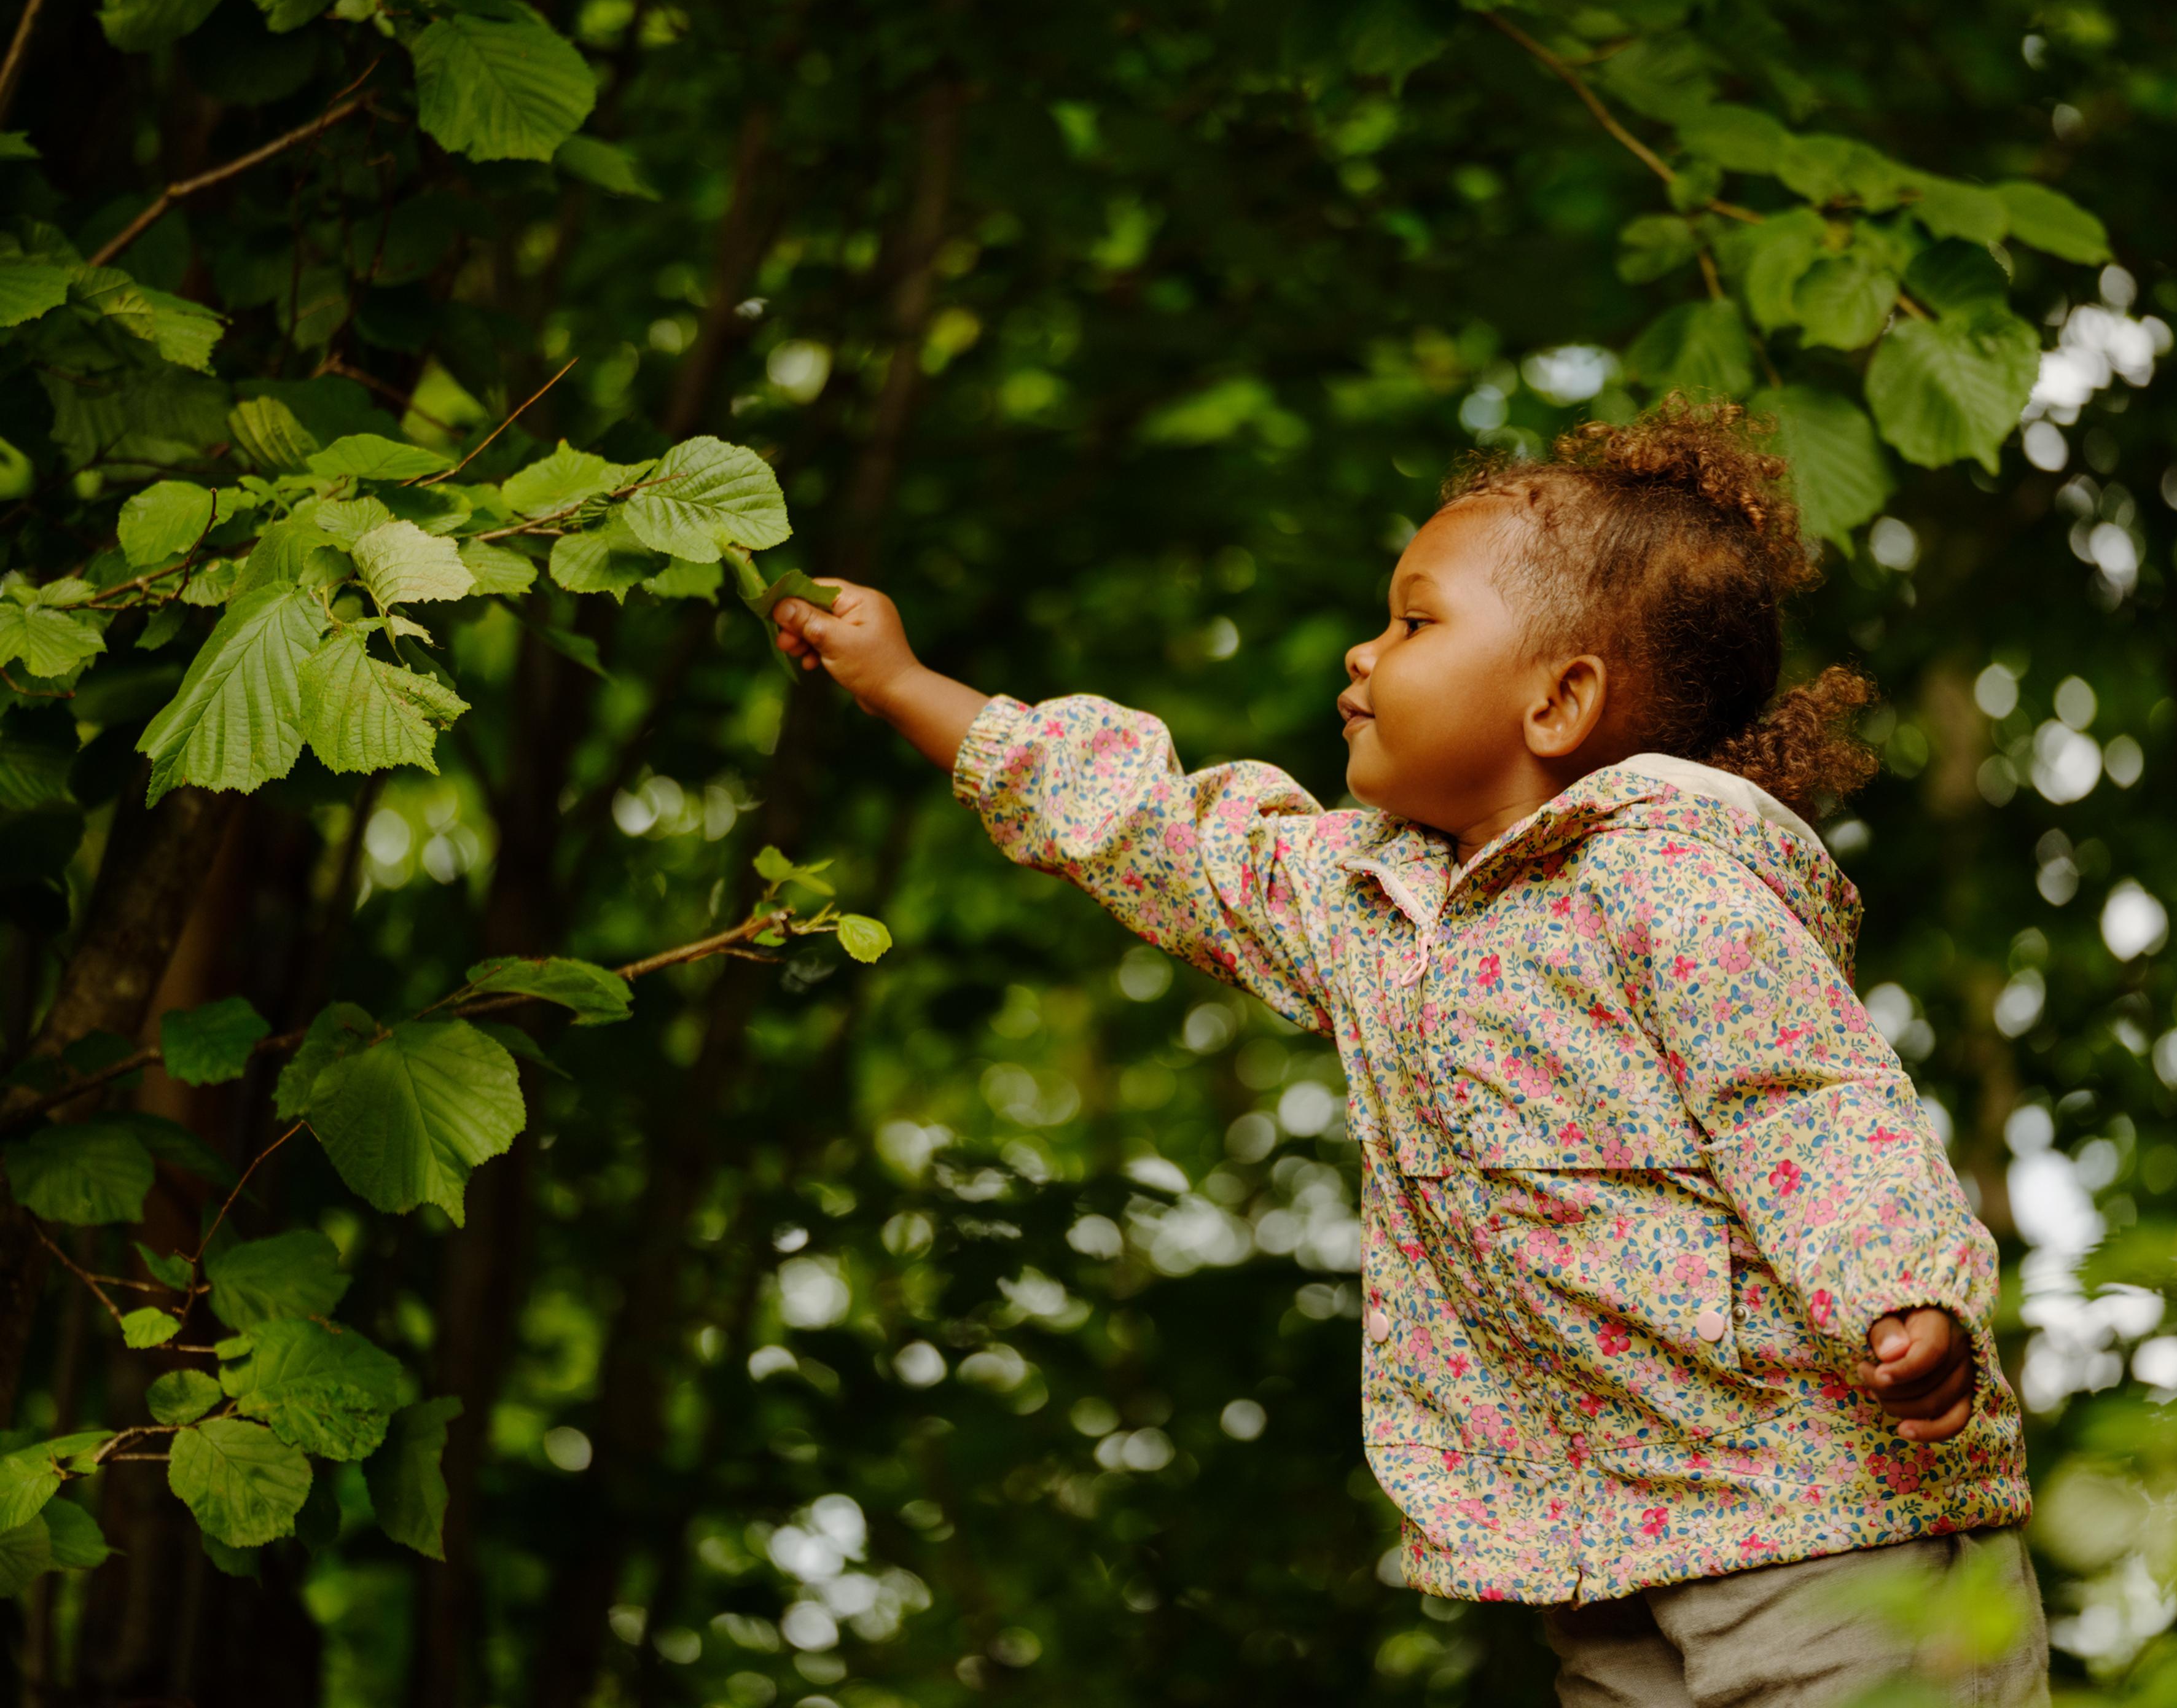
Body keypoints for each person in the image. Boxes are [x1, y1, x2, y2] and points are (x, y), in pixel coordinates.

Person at [772, 397, 2047, 1707]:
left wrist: (1906, 1292)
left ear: (1559, 700)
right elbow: (1144, 827)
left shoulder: (1673, 880)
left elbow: (1813, 1100)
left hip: (1836, 1513)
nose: (1364, 649)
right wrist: (906, 684)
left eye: (1415, 621)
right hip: (1598, 1550)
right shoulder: (1363, 902)